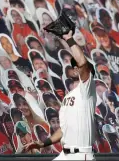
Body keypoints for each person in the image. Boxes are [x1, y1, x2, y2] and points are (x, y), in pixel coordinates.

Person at [26, 13, 97, 160]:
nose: (77, 67)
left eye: (78, 66)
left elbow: (83, 63)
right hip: (65, 154)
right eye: (74, 66)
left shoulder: (87, 89)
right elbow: (63, 130)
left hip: (81, 155)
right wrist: (42, 144)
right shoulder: (67, 97)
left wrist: (68, 39)